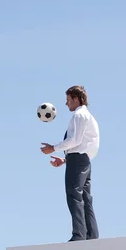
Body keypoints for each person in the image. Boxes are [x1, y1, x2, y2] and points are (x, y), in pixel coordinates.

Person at [40, 85, 100, 241]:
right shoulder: (89, 116)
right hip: (84, 161)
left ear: (76, 99)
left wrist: (53, 148)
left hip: (78, 161)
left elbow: (75, 140)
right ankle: (91, 235)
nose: (66, 103)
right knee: (86, 198)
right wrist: (66, 159)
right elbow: (86, 145)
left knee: (74, 195)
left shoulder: (79, 115)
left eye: (68, 100)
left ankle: (79, 235)